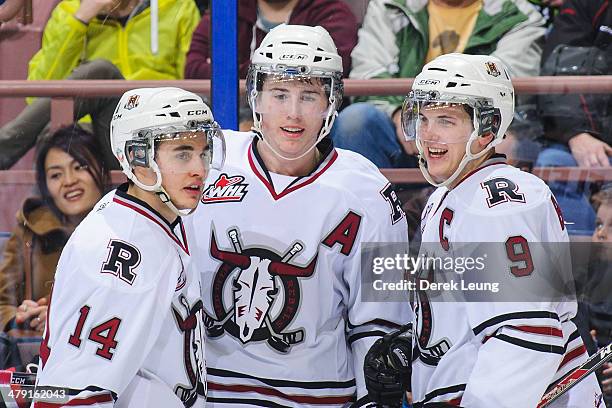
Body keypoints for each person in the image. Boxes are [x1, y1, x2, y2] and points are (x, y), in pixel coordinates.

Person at [188, 24, 410, 407]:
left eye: (309, 95)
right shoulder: (206, 164)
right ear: (255, 96)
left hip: (318, 398)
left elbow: (378, 326)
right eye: (279, 94)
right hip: (210, 396)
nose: (293, 113)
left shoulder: (367, 192)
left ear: (330, 103)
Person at [363, 53, 602, 406]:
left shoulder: (498, 203)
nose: (428, 134)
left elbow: (526, 334)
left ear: (488, 128)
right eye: (423, 118)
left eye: (445, 120)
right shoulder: (452, 193)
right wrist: (417, 344)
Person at [33, 87, 225, 407]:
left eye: (203, 152)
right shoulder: (127, 256)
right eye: (182, 153)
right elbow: (79, 390)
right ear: (138, 158)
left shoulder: (142, 213)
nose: (199, 168)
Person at [330, 0, 546, 169]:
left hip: (472, 134)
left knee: (501, 141)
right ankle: (367, 216)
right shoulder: (391, 6)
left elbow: (502, 83)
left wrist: (443, 123)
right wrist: (404, 116)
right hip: (403, 134)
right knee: (355, 121)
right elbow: (369, 70)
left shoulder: (518, 16)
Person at [0, 0, 200, 170]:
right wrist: (79, 21)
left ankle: (4, 148)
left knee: (101, 71)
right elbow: (37, 97)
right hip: (99, 134)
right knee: (57, 138)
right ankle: (45, 212)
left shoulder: (178, 6)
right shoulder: (69, 12)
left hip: (158, 128)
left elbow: (193, 83)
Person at [0, 125, 109, 337]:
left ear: (102, 169)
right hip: (41, 358)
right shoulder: (29, 230)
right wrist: (22, 318)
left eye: (79, 167)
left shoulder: (129, 229)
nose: (69, 181)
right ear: (45, 185)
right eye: (56, 175)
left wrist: (62, 318)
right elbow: (3, 303)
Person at [535, 0, 612, 235]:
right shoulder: (590, 4)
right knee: (556, 162)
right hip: (592, 137)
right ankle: (573, 268)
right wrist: (577, 134)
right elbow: (560, 69)